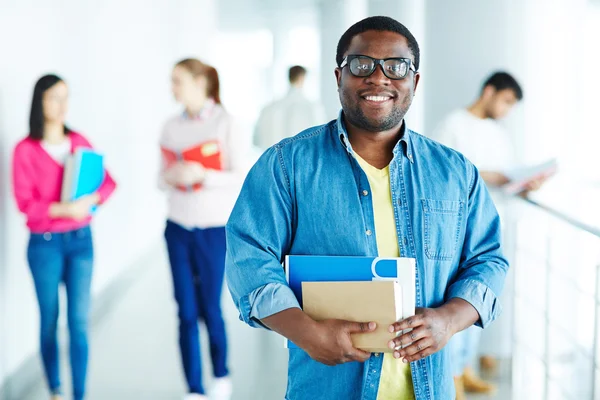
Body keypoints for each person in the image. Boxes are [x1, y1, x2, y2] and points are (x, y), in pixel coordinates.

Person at [225, 16, 509, 400]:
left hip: (428, 388)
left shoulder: (455, 172)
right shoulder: (285, 166)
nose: (379, 78)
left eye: (396, 66)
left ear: (415, 81)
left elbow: (488, 259)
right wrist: (308, 333)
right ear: (339, 75)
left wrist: (447, 321)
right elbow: (249, 259)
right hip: (325, 387)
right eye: (362, 65)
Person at [11, 74, 117, 400]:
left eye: (65, 97)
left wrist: (89, 203)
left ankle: (79, 395)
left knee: (79, 324)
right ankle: (56, 390)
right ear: (39, 102)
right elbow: (26, 205)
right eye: (54, 98)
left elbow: (107, 183)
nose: (61, 105)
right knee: (49, 320)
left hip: (81, 242)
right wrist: (63, 209)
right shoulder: (25, 150)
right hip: (44, 246)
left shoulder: (79, 141)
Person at [432, 72, 536, 399]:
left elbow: (508, 175)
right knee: (458, 298)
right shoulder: (453, 124)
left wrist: (524, 183)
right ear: (489, 91)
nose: (506, 110)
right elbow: (443, 172)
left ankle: (466, 370)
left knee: (481, 296)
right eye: (505, 101)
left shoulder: (497, 133)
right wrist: (493, 175)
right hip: (460, 229)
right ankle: (452, 377)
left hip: (492, 228)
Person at [159, 58, 246, 400]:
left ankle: (221, 375)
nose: (173, 88)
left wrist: (203, 175)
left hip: (213, 229)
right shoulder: (170, 127)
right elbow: (158, 177)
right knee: (185, 309)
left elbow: (241, 175)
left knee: (211, 306)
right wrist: (172, 176)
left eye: (177, 81)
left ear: (200, 83)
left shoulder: (227, 123)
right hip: (177, 227)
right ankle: (193, 388)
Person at [253, 65, 326, 150]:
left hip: (272, 161)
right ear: (302, 78)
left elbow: (256, 141)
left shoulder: (268, 108)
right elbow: (320, 141)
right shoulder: (313, 108)